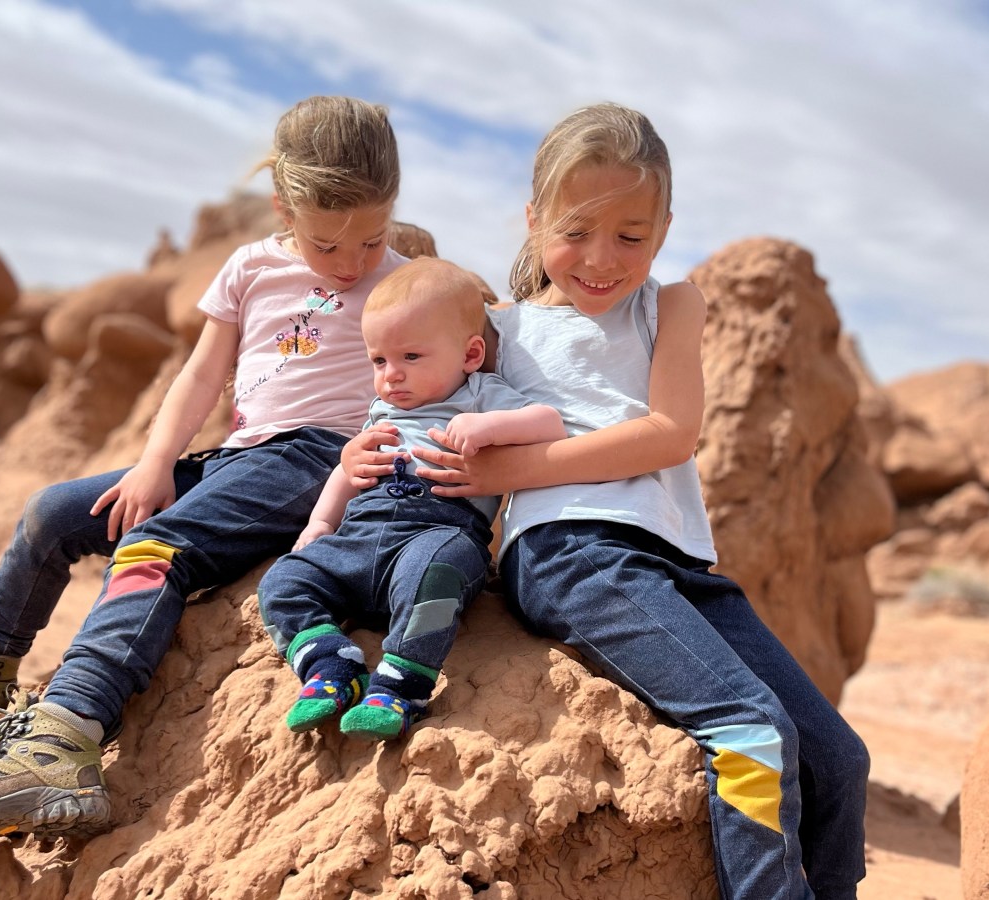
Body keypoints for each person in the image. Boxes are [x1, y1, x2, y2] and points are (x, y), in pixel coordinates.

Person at [344, 103, 869, 899]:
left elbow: (670, 433)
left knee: (838, 758)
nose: (601, 258)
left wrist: (511, 469)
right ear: (533, 219)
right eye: (576, 230)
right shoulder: (501, 328)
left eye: (631, 234)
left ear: (663, 229)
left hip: (679, 562)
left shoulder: (673, 305)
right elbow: (409, 397)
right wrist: (358, 456)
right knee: (751, 732)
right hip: (570, 553)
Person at [0, 95, 408, 849]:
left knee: (155, 546)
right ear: (282, 207)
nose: (354, 264)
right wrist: (157, 463)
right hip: (235, 458)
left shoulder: (402, 281)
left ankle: (65, 737)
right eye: (329, 246)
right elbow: (199, 377)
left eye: (373, 238)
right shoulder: (250, 268)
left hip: (320, 460)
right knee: (54, 513)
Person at [258, 257, 566, 742]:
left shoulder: (481, 393)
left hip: (435, 531)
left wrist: (488, 426)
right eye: (379, 361)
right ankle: (329, 666)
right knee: (283, 579)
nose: (391, 376)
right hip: (357, 537)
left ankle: (402, 683)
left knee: (438, 570)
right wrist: (320, 524)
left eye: (411, 358)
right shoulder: (381, 411)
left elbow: (549, 423)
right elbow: (347, 471)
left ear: (469, 355)